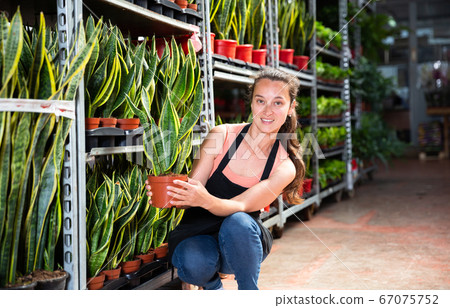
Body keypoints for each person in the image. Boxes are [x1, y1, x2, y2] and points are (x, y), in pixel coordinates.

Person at [145, 68, 305, 290]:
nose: (267, 111)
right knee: (193, 261)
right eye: (261, 101)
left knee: (237, 221)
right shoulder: (221, 135)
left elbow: (240, 205)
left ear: (290, 108)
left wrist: (204, 199)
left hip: (241, 242)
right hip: (198, 233)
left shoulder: (284, 166)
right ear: (251, 104)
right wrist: (166, 192)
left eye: (278, 103)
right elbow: (193, 189)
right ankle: (214, 290)